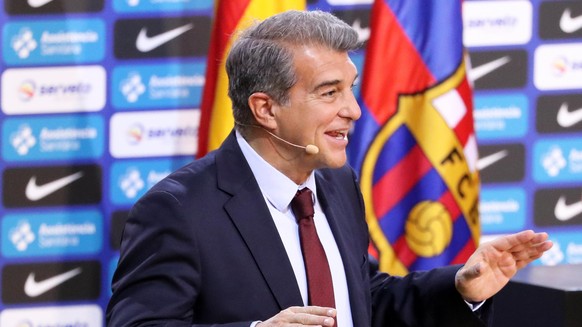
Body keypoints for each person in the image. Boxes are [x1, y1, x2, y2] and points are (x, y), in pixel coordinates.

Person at [106, 10, 552, 327]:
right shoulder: (178, 210)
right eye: (329, 93)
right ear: (265, 108)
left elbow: (362, 299)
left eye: (351, 90)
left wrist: (459, 287)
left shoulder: (336, 182)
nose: (354, 111)